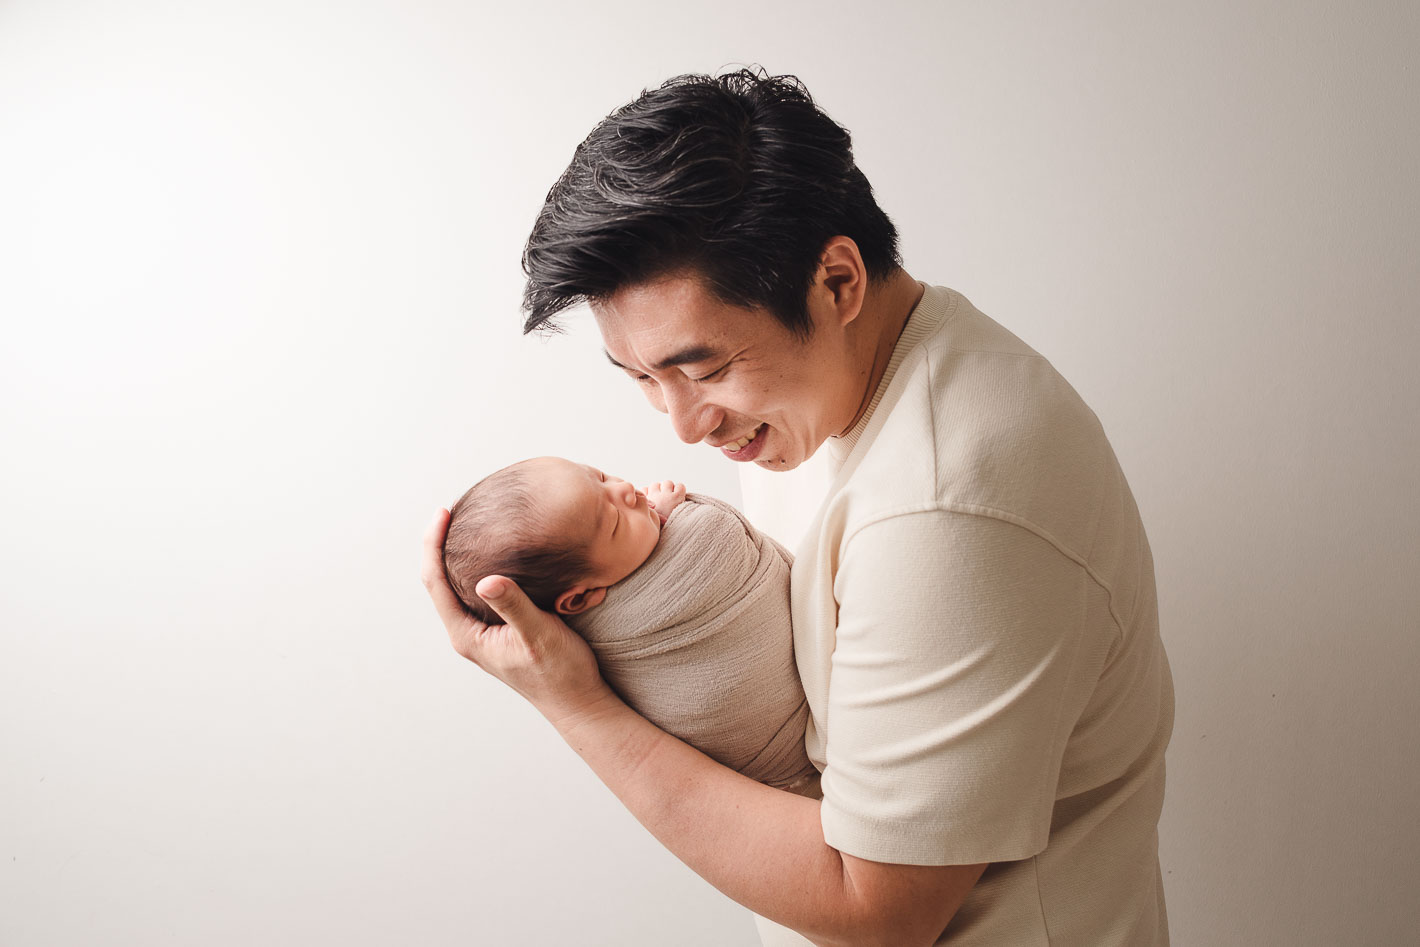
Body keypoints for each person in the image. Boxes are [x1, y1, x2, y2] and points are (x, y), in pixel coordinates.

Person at [422, 69, 1174, 946]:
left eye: (705, 370)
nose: (685, 425)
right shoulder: (817, 396)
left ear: (838, 281)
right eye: (642, 378)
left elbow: (878, 909)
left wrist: (578, 708)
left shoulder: (948, 507)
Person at [441, 456, 816, 793]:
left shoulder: (621, 552)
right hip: (785, 753)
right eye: (615, 521)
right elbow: (697, 556)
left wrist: (658, 517)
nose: (627, 491)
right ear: (579, 600)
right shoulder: (600, 636)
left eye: (601, 477)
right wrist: (673, 517)